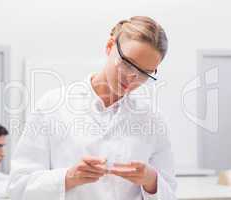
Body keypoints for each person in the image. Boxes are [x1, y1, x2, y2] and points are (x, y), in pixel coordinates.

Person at [10, 16, 177, 200]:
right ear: (109, 46)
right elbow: (19, 187)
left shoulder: (152, 119)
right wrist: (68, 178)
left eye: (144, 73)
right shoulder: (52, 106)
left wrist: (151, 180)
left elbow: (169, 192)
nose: (132, 77)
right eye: (128, 63)